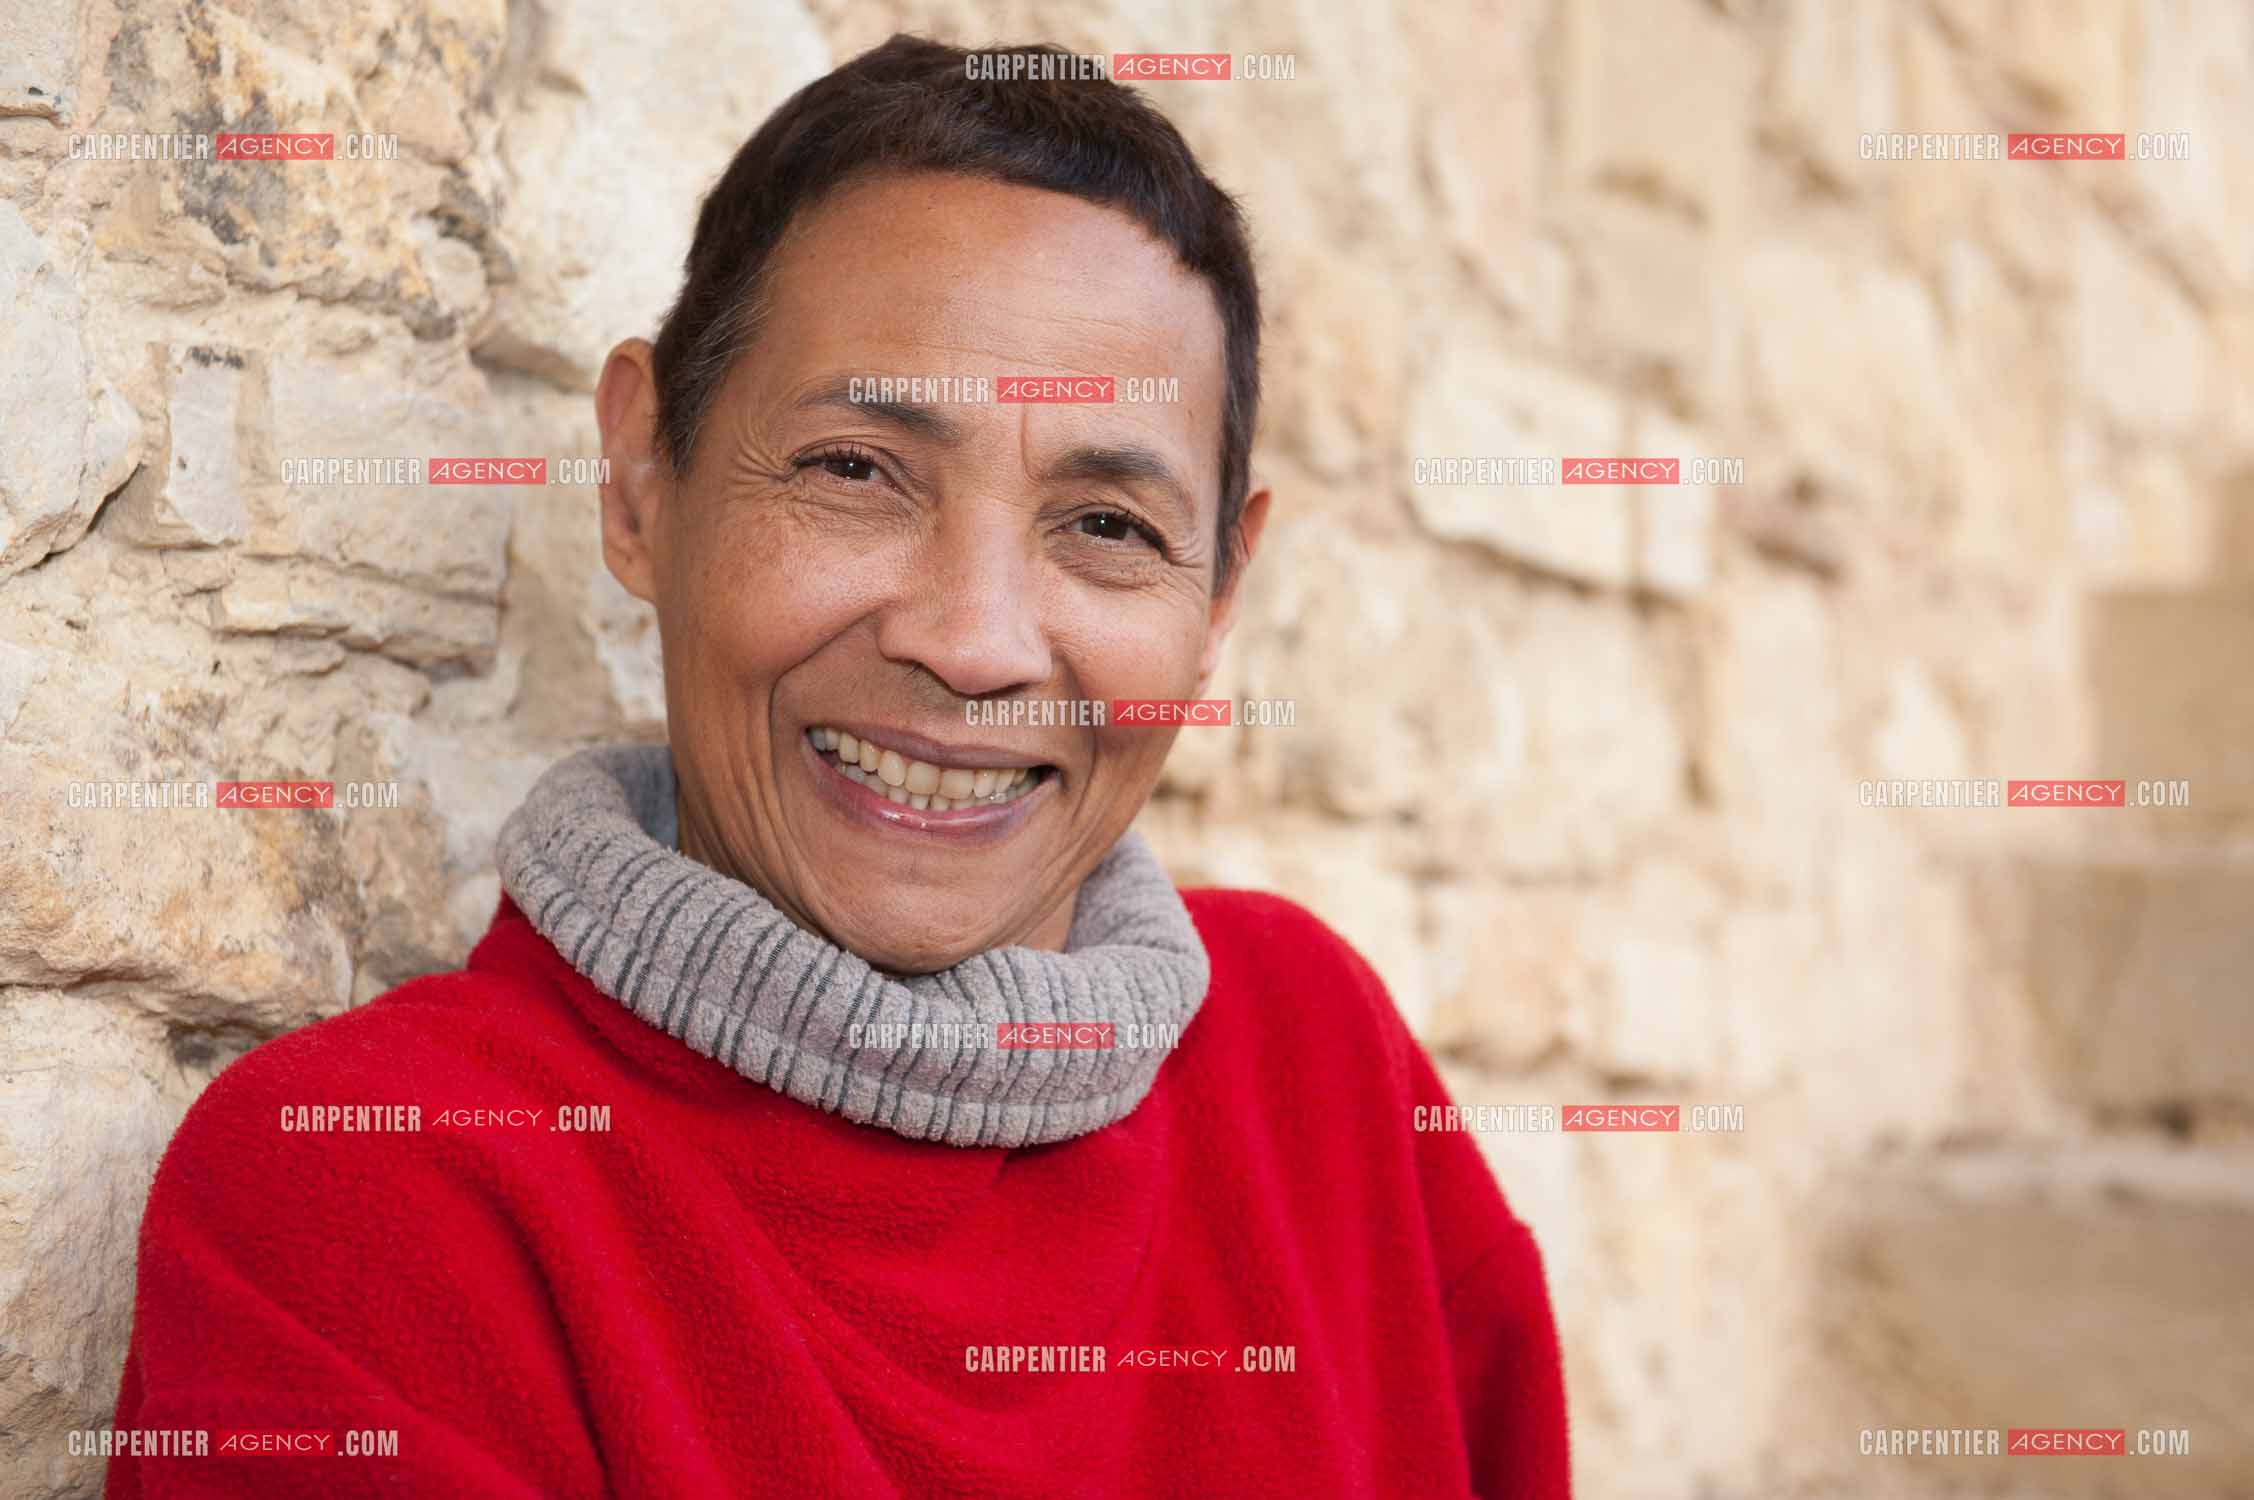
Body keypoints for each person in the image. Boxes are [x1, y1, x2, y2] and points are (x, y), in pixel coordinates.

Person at [107, 34, 1569, 1498]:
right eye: (854, 470)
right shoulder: (375, 1191)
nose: (974, 641)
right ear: (638, 481)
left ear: (1218, 597)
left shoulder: (1317, 1070)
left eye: (1108, 527)